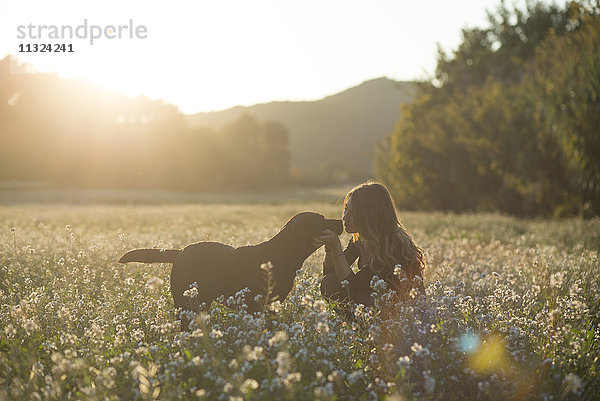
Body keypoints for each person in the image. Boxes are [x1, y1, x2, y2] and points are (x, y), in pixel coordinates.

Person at [314, 181, 425, 307]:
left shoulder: (391, 248)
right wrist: (329, 248)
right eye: (346, 209)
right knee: (330, 282)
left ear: (370, 215)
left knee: (355, 294)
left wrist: (336, 246)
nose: (345, 217)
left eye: (353, 213)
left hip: (399, 316)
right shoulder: (361, 240)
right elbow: (330, 274)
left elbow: (351, 287)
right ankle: (356, 326)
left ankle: (360, 325)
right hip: (376, 309)